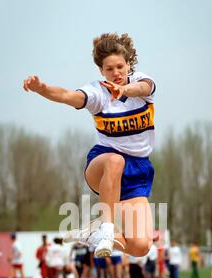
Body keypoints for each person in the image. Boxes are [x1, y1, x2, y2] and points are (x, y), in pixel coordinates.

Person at [23, 33, 155, 258]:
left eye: (120, 67)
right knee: (116, 159)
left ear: (128, 65)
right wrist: (43, 89)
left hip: (138, 171)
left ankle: (93, 234)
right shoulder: (98, 92)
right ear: (101, 71)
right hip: (104, 164)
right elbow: (67, 95)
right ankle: (106, 229)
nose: (116, 73)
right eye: (109, 69)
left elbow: (143, 88)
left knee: (141, 246)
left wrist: (124, 91)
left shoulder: (141, 82)